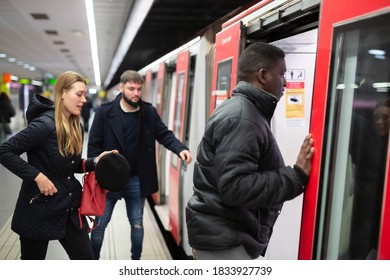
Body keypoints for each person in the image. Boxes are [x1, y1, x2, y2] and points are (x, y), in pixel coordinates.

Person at [186, 42, 314, 260]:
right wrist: (296, 176)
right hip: (227, 243)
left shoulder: (243, 109)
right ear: (263, 75)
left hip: (223, 235)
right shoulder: (243, 117)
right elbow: (234, 187)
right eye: (282, 74)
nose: (285, 81)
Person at [0, 71, 115, 260]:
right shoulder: (44, 125)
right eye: (79, 94)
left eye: (85, 94)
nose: (84, 99)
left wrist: (96, 162)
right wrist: (38, 176)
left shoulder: (76, 125)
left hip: (68, 205)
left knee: (86, 259)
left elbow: (71, 165)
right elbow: (5, 151)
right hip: (38, 208)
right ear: (62, 93)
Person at [88, 70, 192, 260]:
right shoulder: (105, 112)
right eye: (131, 89)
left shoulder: (148, 112)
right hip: (109, 180)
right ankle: (92, 262)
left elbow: (164, 134)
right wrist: (96, 170)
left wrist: (180, 149)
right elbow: (93, 145)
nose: (135, 93)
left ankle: (135, 262)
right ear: (121, 87)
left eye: (138, 89)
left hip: (136, 179)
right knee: (99, 225)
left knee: (137, 224)